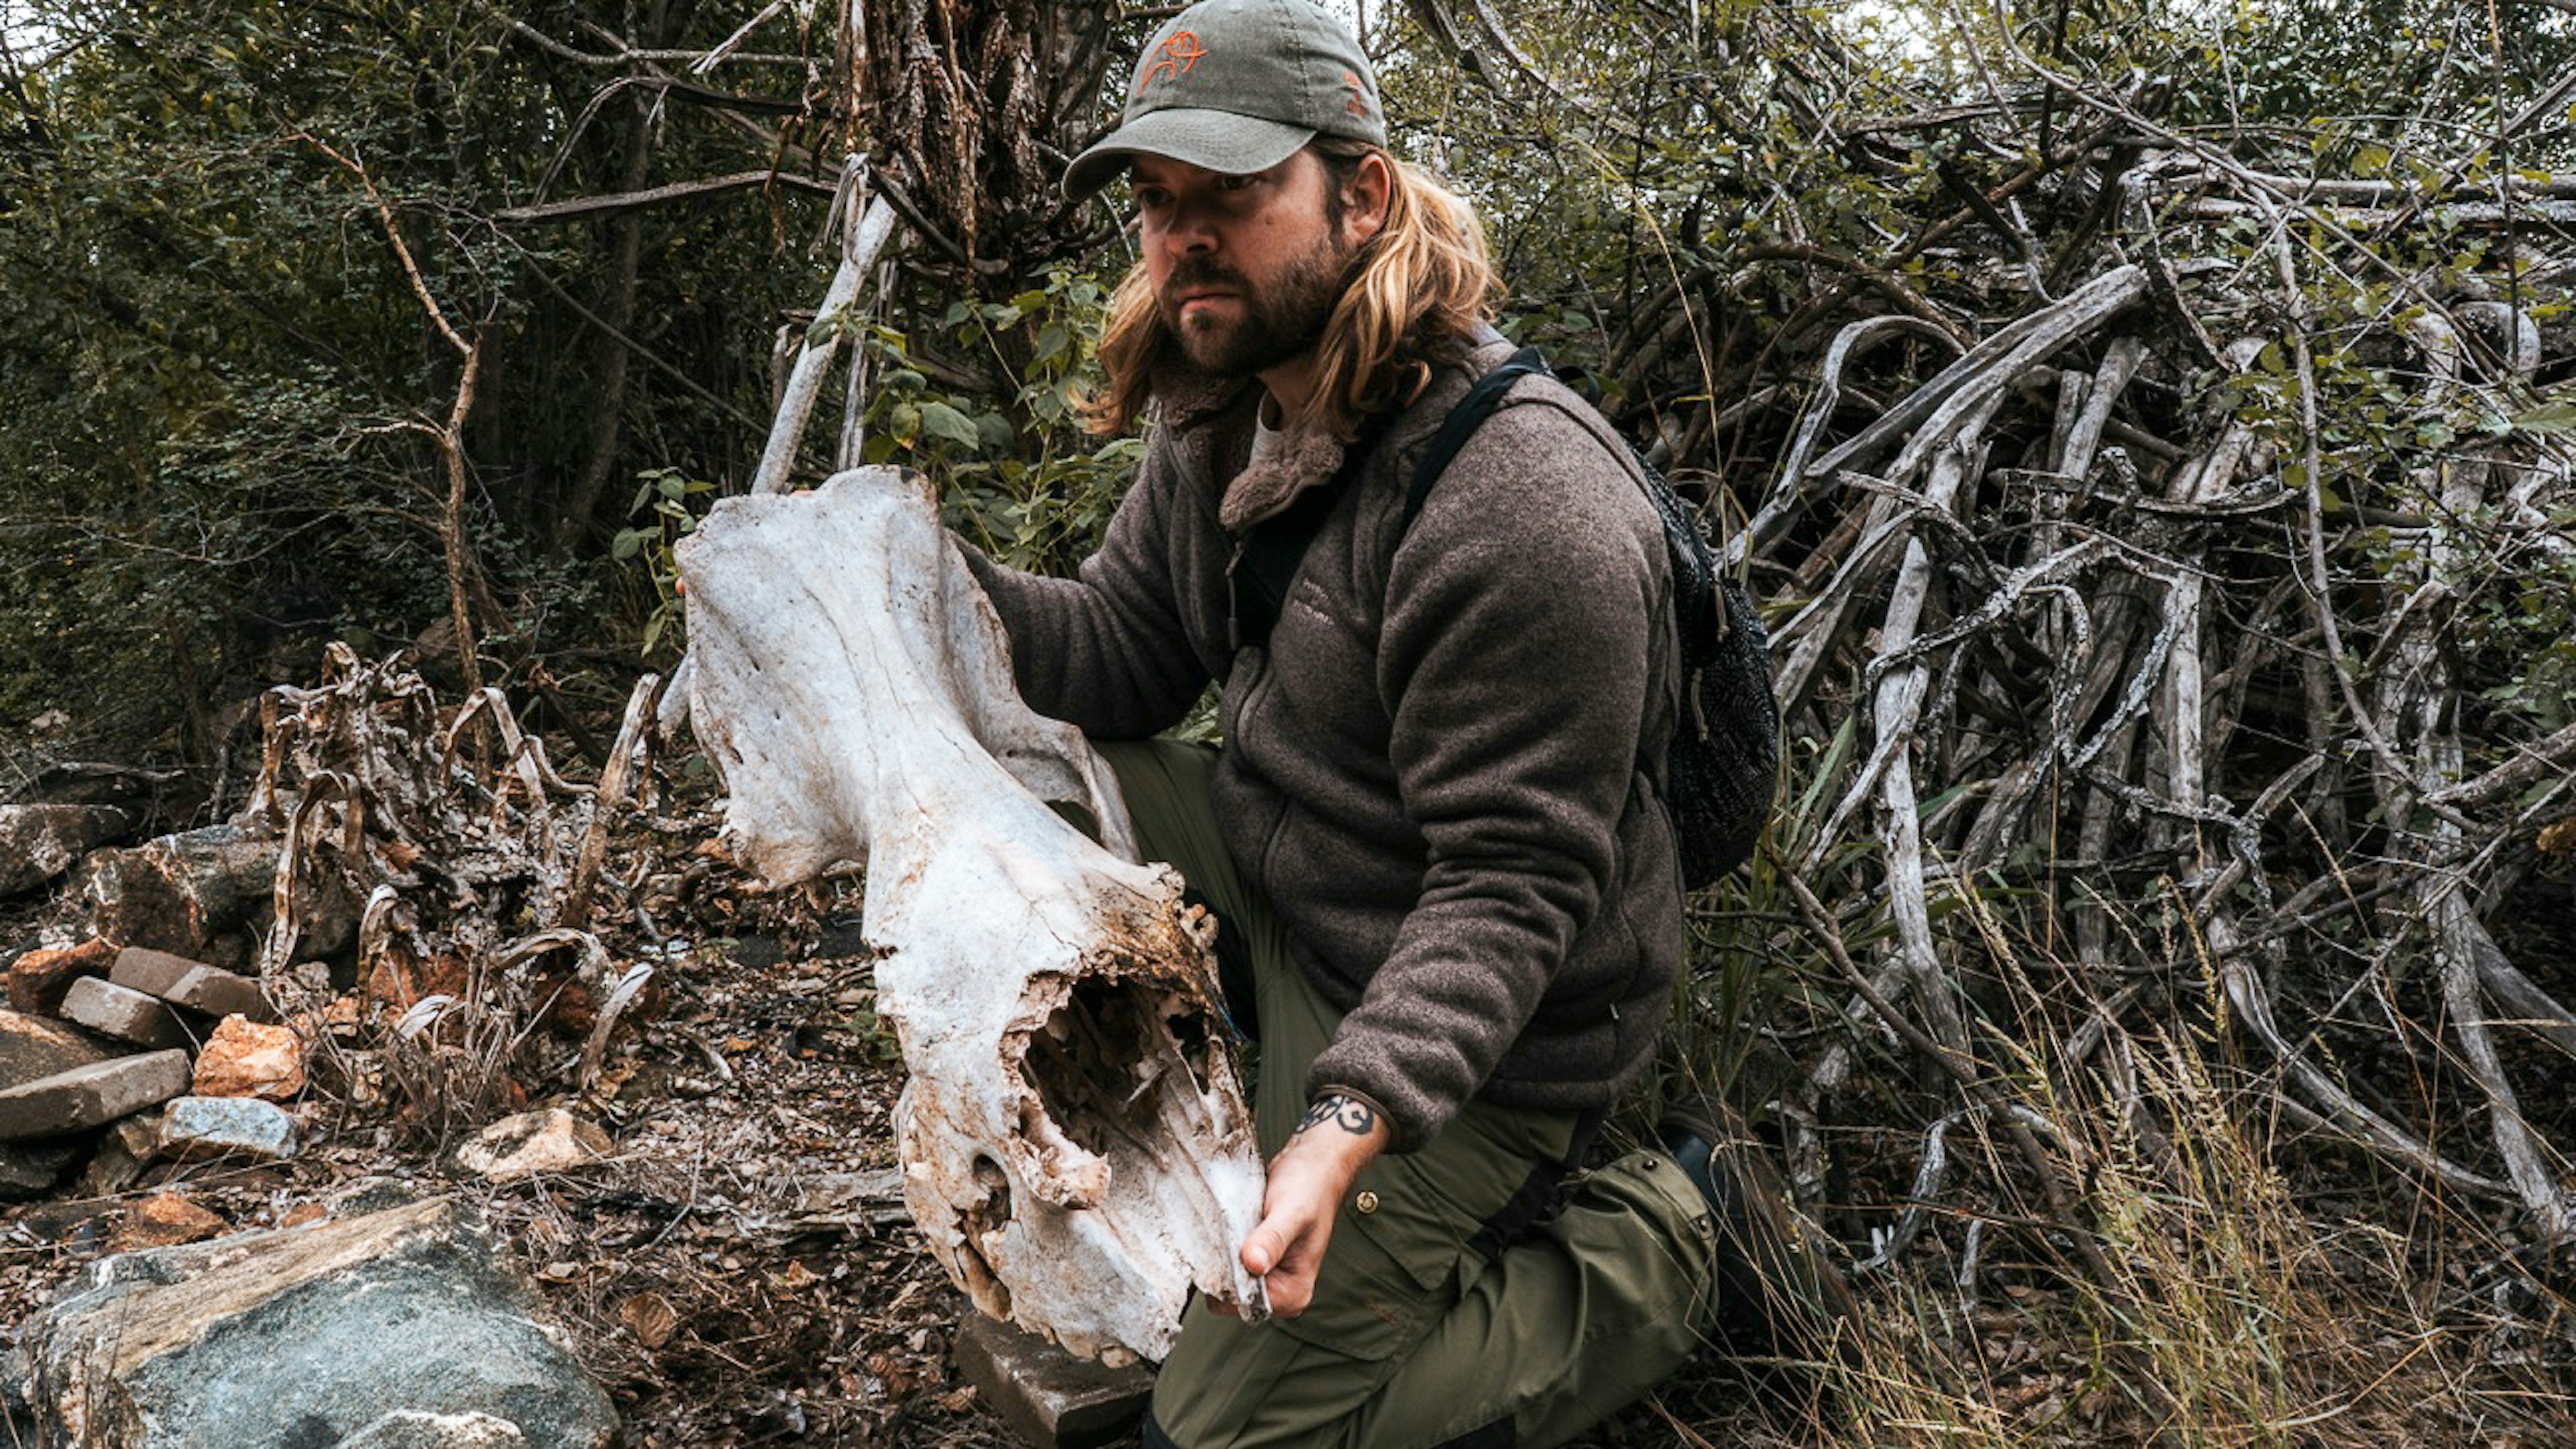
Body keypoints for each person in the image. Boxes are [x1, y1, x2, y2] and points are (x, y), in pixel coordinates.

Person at [955, 1, 1847, 1442]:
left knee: (1225, 1437)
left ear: (1360, 194)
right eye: (1157, 202)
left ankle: (1674, 1245)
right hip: (1295, 882)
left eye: (1232, 197)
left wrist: (1343, 1125)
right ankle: (1209, 1117)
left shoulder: (1522, 509)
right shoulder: (1227, 400)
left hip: (1494, 1026)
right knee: (1015, 786)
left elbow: (1507, 892)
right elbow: (1121, 653)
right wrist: (915, 579)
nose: (1183, 239)